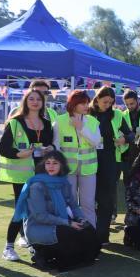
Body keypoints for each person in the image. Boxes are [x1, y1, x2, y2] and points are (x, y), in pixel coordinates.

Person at [0, 88, 55, 261]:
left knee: (39, 210)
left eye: (38, 99)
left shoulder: (47, 123)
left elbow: (51, 144)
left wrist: (50, 148)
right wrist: (18, 153)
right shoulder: (15, 122)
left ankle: (35, 245)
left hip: (42, 173)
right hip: (22, 175)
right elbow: (2, 148)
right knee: (21, 209)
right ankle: (8, 247)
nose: (35, 102)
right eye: (31, 99)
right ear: (25, 102)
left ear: (43, 103)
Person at [16, 150, 102, 270]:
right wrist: (68, 223)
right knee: (68, 234)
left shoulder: (63, 182)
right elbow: (41, 216)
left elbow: (74, 206)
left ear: (62, 165)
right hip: (39, 228)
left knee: (90, 232)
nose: (51, 166)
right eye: (48, 163)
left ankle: (59, 253)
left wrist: (81, 219)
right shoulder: (37, 186)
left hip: (61, 223)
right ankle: (41, 253)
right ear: (43, 165)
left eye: (55, 163)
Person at [89, 86, 132, 244]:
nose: (108, 105)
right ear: (97, 99)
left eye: (111, 102)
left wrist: (124, 139)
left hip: (109, 160)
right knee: (89, 199)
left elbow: (130, 134)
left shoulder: (117, 114)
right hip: (89, 160)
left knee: (106, 199)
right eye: (105, 102)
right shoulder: (87, 114)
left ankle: (102, 235)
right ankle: (89, 234)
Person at [54, 90, 100, 229]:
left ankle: (91, 235)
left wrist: (81, 128)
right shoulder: (60, 121)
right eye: (82, 103)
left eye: (87, 103)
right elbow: (56, 146)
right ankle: (71, 234)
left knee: (88, 204)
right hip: (67, 170)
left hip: (88, 169)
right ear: (73, 104)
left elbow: (96, 142)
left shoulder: (92, 121)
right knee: (69, 203)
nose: (86, 106)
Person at [118, 90, 140, 184]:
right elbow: (120, 134)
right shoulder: (122, 115)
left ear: (137, 100)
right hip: (127, 154)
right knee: (128, 182)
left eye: (131, 103)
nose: (129, 106)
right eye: (127, 104)